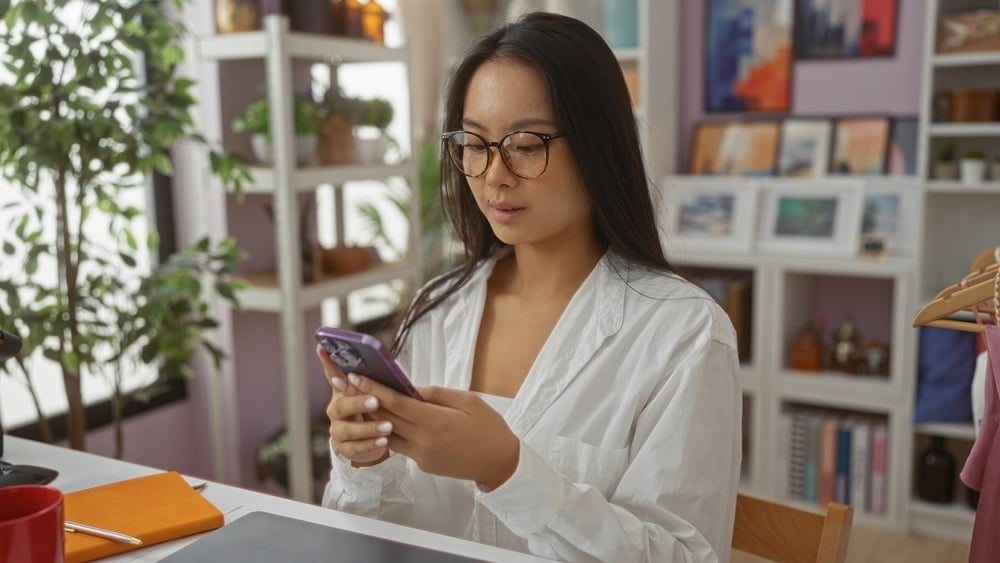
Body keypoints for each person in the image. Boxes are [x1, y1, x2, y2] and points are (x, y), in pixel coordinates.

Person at [318, 11, 741, 562]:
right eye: (474, 143)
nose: (494, 173)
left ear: (598, 146)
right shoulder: (437, 310)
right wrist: (366, 465)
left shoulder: (685, 335)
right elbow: (367, 543)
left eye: (525, 143)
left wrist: (508, 470)